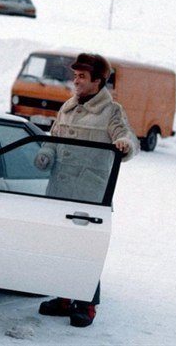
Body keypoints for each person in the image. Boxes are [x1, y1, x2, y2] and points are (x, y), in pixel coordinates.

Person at [34, 53, 139, 328]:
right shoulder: (67, 107)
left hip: (90, 195)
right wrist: (45, 154)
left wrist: (124, 145)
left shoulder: (111, 111)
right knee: (60, 245)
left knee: (86, 249)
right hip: (59, 190)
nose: (76, 80)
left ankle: (86, 304)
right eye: (75, 75)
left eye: (82, 76)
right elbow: (53, 139)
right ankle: (65, 297)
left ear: (98, 81)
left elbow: (127, 137)